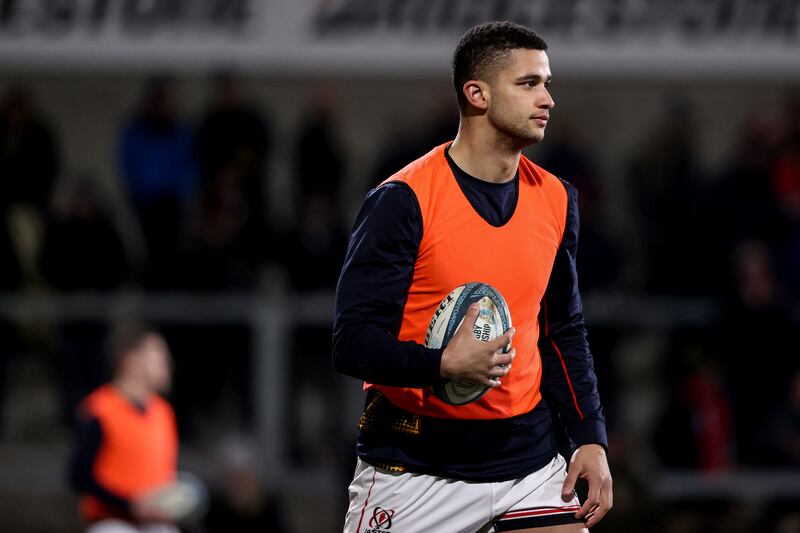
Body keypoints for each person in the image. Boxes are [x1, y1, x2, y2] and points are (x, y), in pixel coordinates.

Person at [333, 21, 612, 532]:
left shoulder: (556, 198)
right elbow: (351, 343)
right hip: (416, 467)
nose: (547, 98)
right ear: (477, 94)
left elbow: (562, 330)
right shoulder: (403, 201)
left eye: (547, 83)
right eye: (528, 84)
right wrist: (442, 364)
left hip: (528, 461)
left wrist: (589, 434)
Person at [68, 323, 180, 533]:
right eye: (157, 356)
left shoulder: (163, 413)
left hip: (155, 523)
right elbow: (79, 476)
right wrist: (130, 504)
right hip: (112, 520)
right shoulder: (100, 410)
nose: (166, 364)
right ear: (132, 360)